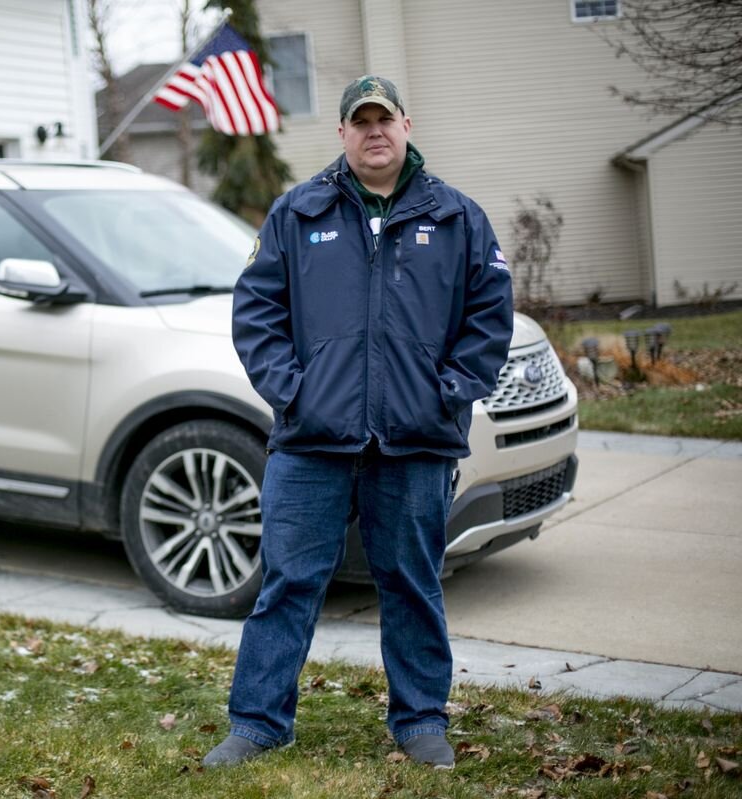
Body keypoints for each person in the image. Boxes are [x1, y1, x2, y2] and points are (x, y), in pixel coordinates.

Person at [204, 75, 514, 770]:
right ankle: (258, 721)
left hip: (416, 442)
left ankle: (421, 720)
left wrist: (447, 393)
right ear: (341, 133)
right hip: (312, 442)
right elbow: (256, 313)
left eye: (385, 119)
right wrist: (296, 393)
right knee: (287, 582)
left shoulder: (459, 218)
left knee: (411, 583)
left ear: (407, 124)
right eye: (360, 121)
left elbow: (489, 319)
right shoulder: (298, 212)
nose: (374, 131)